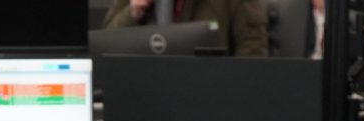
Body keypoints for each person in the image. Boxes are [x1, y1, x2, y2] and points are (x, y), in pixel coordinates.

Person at [102, 0, 269, 56]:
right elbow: (104, 45)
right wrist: (132, 12)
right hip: (147, 96)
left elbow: (252, 50)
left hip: (211, 98)